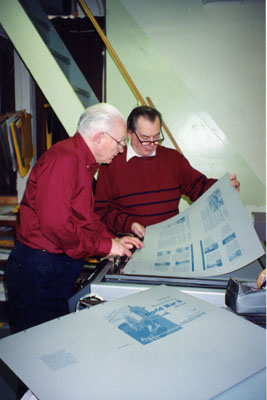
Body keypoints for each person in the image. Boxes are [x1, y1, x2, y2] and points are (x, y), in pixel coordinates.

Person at [5, 103, 143, 334]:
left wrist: (112, 242)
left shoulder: (83, 162)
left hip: (52, 269)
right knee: (37, 346)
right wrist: (104, 246)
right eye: (120, 142)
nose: (121, 150)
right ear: (99, 137)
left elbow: (85, 217)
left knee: (52, 340)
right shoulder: (65, 160)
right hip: (38, 272)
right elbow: (56, 227)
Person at [94, 105, 240, 239]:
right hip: (129, 240)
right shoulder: (112, 162)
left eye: (157, 137)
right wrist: (129, 224)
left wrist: (223, 187)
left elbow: (199, 187)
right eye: (145, 138)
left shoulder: (173, 159)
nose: (152, 144)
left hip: (170, 239)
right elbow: (101, 210)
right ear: (130, 134)